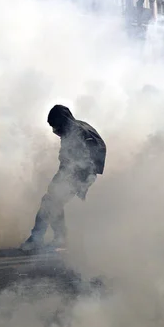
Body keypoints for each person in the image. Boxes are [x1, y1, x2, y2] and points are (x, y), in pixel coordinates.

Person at [21, 105, 106, 251]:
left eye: (54, 125)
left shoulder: (76, 131)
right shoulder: (75, 127)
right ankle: (57, 237)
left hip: (76, 174)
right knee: (53, 202)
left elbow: (93, 151)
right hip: (71, 172)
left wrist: (86, 178)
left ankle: (38, 239)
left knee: (50, 202)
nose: (54, 130)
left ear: (61, 120)